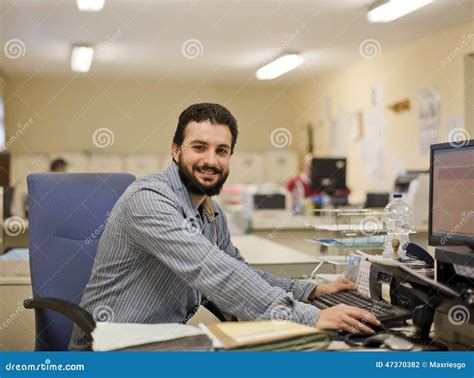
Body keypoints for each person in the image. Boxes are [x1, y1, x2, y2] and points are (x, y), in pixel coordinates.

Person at [69, 103, 379, 350]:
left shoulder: (210, 210)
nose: (211, 160)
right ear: (176, 151)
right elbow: (211, 270)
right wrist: (310, 317)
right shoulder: (149, 201)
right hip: (112, 346)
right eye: (199, 147)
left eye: (222, 150)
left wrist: (309, 290)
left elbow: (237, 269)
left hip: (162, 340)